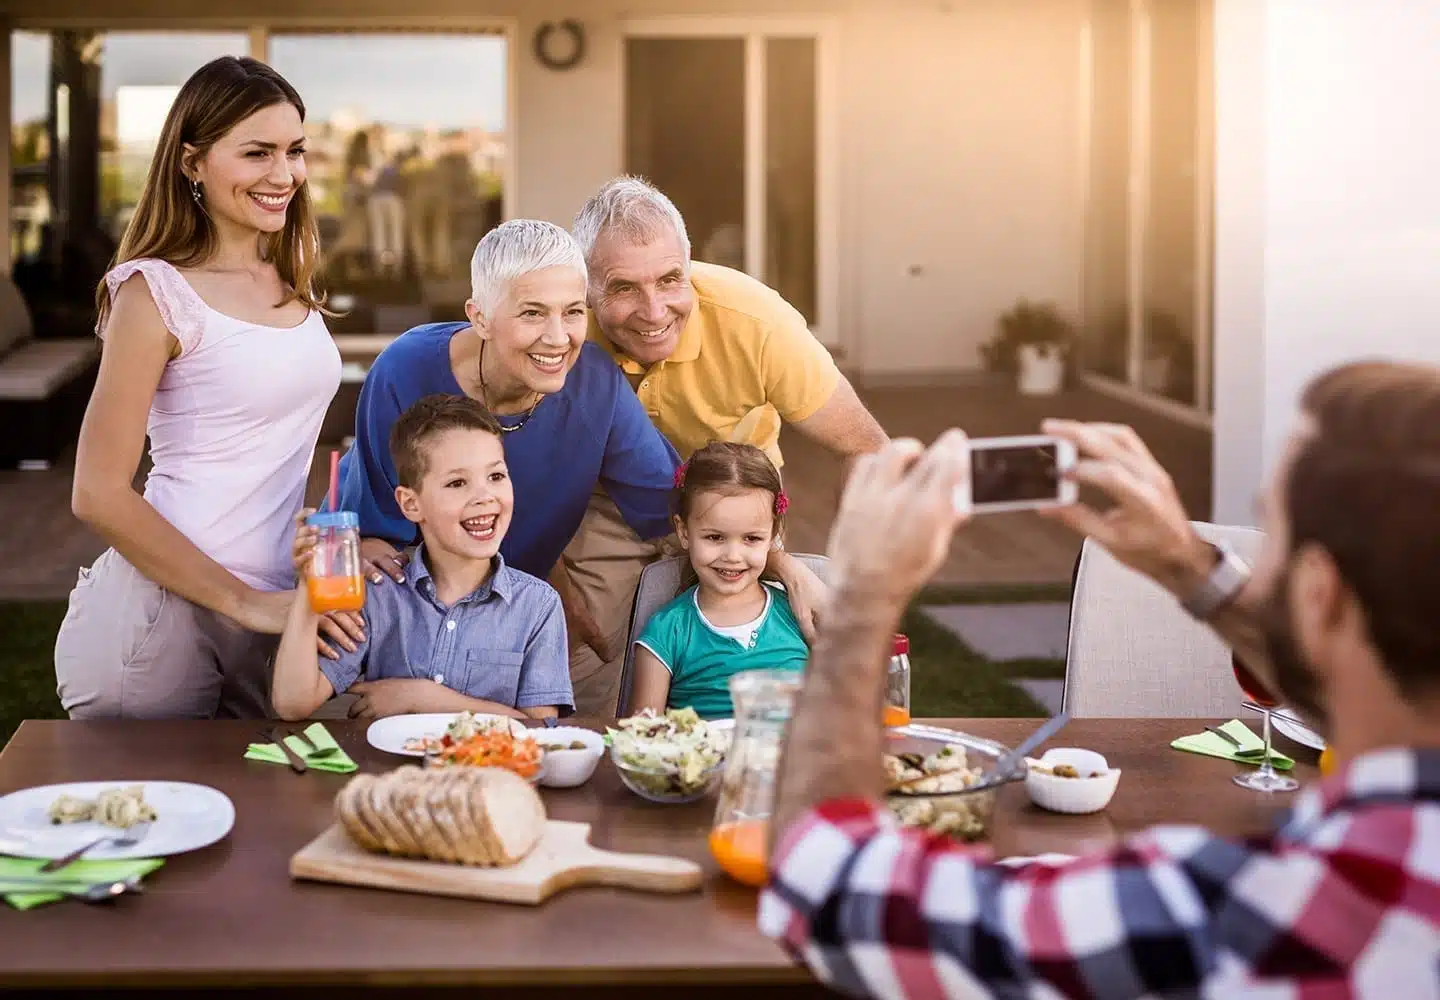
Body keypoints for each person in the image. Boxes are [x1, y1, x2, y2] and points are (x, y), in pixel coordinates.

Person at [761, 360, 1440, 998]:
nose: (1254, 563)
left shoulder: (1266, 913)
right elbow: (1352, 662)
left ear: (1323, 596)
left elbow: (828, 885)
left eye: (1270, 537)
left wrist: (862, 601)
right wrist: (1188, 566)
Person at [54, 56, 341, 720]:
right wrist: (244, 603)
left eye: (295, 151)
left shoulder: (289, 274)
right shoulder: (154, 291)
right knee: (148, 822)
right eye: (257, 153)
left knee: (265, 817)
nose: (284, 174)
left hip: (270, 606)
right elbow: (95, 492)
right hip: (164, 613)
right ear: (192, 163)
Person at [562, 175, 890, 712]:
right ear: (586, 286)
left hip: (739, 507)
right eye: (623, 288)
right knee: (587, 673)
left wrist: (841, 573)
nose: (653, 310)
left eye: (671, 279)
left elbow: (866, 446)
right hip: (607, 507)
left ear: (690, 267)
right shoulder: (562, 330)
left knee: (767, 680)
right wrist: (554, 579)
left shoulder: (758, 323)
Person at [327, 219, 680, 714]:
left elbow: (676, 503)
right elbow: (375, 529)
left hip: (517, 610)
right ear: (481, 317)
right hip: (404, 611)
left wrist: (781, 565)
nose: (558, 338)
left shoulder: (596, 384)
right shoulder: (405, 368)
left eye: (573, 312)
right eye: (532, 313)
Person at [273, 395, 572, 722]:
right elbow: (292, 703)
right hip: (390, 773)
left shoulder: (538, 605)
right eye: (457, 483)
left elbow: (542, 729)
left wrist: (425, 698)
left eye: (496, 476)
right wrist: (308, 588)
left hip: (494, 772)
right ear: (411, 504)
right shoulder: (377, 594)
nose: (484, 496)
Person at [630, 443, 809, 720]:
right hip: (701, 762)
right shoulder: (667, 630)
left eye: (752, 538)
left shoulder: (799, 615)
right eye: (715, 538)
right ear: (684, 532)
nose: (733, 556)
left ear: (773, 534)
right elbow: (642, 737)